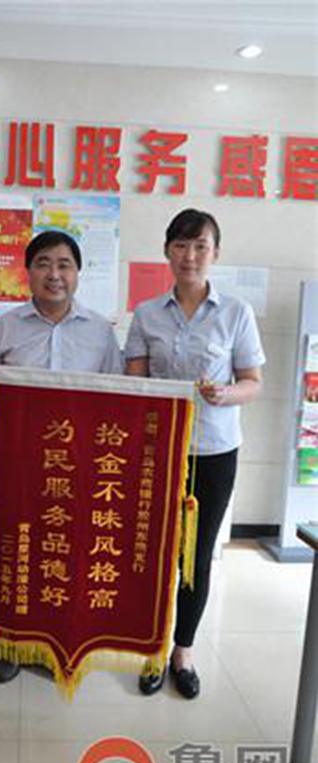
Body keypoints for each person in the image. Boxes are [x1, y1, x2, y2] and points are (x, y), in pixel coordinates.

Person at [124, 208, 265, 699]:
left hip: (213, 451)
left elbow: (253, 382)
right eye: (181, 245)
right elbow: (136, 383)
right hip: (157, 451)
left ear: (215, 253)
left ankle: (182, 651)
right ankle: (150, 647)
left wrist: (225, 394)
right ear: (167, 251)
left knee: (196, 556)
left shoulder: (236, 313)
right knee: (153, 554)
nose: (190, 256)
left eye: (200, 246)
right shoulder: (146, 314)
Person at [0, 229, 123, 683]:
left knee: (68, 553)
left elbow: (117, 399)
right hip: (17, 463)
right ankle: (13, 644)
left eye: (64, 265)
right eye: (43, 264)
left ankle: (60, 643)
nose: (54, 274)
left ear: (78, 273)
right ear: (28, 272)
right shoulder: (5, 327)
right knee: (15, 551)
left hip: (77, 467)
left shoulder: (100, 332)